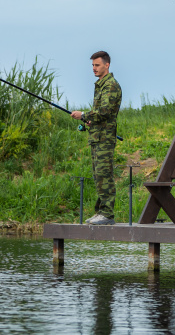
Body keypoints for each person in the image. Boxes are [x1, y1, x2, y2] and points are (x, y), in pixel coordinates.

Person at [71, 51, 122, 225]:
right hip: (96, 136)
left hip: (105, 138)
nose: (94, 68)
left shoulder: (111, 86)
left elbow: (105, 112)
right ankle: (101, 212)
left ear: (107, 65)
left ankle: (107, 214)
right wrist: (89, 120)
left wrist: (84, 115)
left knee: (104, 174)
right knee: (97, 175)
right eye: (92, 65)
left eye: (97, 65)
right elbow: (99, 115)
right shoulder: (100, 85)